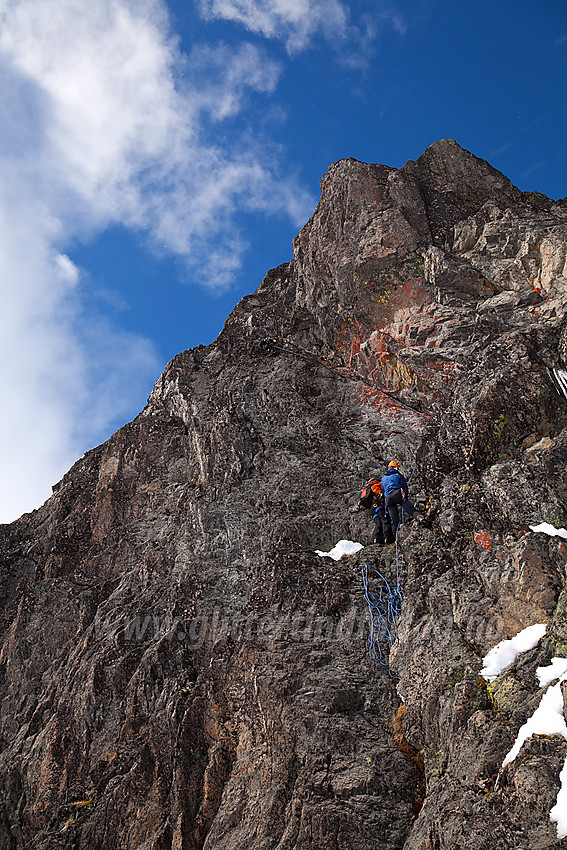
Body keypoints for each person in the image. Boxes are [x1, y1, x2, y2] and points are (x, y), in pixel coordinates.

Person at [381, 461, 425, 537]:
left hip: (388, 498)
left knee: (394, 520)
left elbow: (384, 490)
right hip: (397, 494)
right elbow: (404, 487)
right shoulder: (398, 475)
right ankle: (418, 516)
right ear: (396, 468)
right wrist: (405, 498)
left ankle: (396, 538)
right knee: (406, 505)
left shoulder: (383, 478)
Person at [359, 479, 394, 545]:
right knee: (385, 520)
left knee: (378, 523)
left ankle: (376, 539)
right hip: (378, 504)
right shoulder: (377, 484)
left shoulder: (366, 490)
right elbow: (374, 488)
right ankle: (387, 539)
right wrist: (381, 492)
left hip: (373, 508)